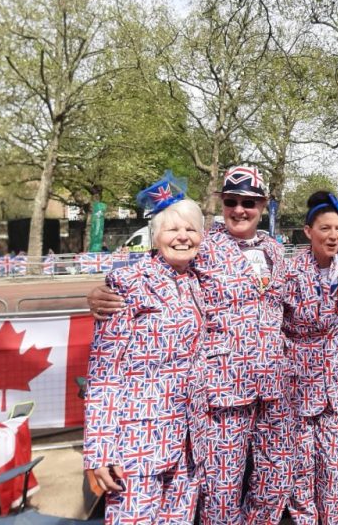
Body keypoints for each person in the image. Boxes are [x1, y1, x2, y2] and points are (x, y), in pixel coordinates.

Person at [87, 165, 293, 524]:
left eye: (249, 202)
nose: (240, 209)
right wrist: (96, 296)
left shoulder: (275, 250)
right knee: (222, 492)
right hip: (222, 391)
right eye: (232, 201)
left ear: (263, 206)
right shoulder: (202, 243)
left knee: (276, 481)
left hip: (272, 388)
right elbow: (155, 264)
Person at [83, 177, 208, 525]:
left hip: (188, 440)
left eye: (190, 229)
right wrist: (100, 449)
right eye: (172, 229)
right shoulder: (127, 283)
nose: (182, 236)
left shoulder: (198, 281)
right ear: (155, 235)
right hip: (136, 441)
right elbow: (104, 372)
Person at [283, 191, 338, 524]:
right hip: (299, 384)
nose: (333, 236)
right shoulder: (288, 271)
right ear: (308, 232)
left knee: (334, 464)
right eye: (325, 229)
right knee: (302, 464)